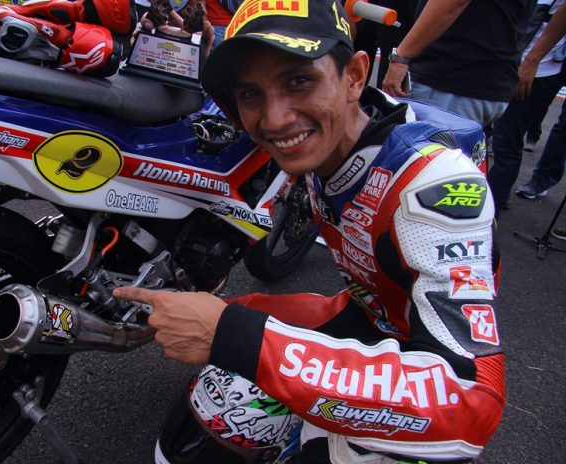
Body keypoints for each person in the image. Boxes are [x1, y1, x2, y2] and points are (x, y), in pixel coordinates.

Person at [114, 1, 505, 463]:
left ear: (355, 76)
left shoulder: (433, 184)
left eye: (298, 80)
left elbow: (469, 401)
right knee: (220, 398)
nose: (275, 119)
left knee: (245, 352)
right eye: (251, 94)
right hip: (372, 315)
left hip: (425, 368)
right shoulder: (332, 135)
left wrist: (233, 336)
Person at [381, 0, 529, 128]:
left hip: (452, 81)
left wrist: (401, 57)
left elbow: (452, 3)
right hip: (480, 78)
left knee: (419, 147)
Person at [488, 0, 566, 209]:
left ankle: (491, 209)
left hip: (533, 68)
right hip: (507, 57)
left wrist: (532, 60)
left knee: (506, 141)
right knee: (489, 134)